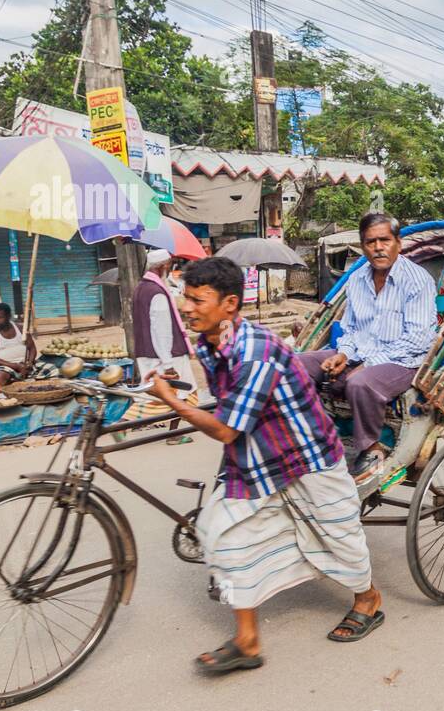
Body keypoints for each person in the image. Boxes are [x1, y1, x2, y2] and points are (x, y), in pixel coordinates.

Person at [145, 256, 386, 674]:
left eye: (198, 299)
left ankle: (368, 598)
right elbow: (228, 408)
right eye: (186, 297)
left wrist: (171, 402)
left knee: (338, 534)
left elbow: (225, 429)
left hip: (306, 456)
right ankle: (248, 640)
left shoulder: (255, 351)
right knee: (223, 533)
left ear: (230, 304)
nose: (186, 307)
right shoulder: (209, 342)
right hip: (258, 458)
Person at [299, 212, 437, 483]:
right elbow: (350, 329)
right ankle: (314, 433)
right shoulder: (357, 278)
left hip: (404, 361)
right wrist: (343, 354)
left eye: (384, 240)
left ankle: (371, 449)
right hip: (360, 354)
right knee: (297, 363)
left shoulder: (417, 280)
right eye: (370, 242)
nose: (377, 247)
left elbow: (418, 339)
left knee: (361, 383)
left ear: (398, 242)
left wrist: (366, 364)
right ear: (362, 246)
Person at [132, 248, 196, 445]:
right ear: (163, 267)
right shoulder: (157, 293)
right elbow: (161, 331)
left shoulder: (141, 288)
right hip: (167, 353)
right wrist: (168, 363)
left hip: (147, 351)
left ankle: (124, 425)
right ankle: (174, 435)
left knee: (153, 392)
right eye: (168, 266)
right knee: (182, 391)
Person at [0, 303, 37, 394]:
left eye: (0, 318)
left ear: (8, 316)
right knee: (0, 376)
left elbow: (32, 348)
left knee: (52, 370)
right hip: (4, 366)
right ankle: (4, 399)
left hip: (25, 363)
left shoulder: (20, 328)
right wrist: (15, 366)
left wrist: (30, 363)